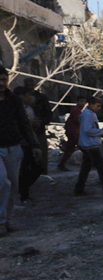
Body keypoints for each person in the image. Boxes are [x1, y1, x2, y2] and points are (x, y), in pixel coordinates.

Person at [0, 67, 41, 236]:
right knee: (2, 183)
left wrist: (35, 145)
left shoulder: (14, 101)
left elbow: (24, 124)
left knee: (13, 187)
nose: (1, 83)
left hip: (14, 148)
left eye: (3, 79)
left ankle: (6, 221)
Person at [74, 97, 103, 195]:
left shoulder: (89, 114)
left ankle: (79, 189)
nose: (99, 108)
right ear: (91, 104)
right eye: (97, 106)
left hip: (89, 144)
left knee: (87, 168)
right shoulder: (88, 115)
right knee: (100, 167)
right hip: (90, 145)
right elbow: (88, 130)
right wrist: (101, 132)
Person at [14, 86, 43, 203]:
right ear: (21, 96)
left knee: (38, 167)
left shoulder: (29, 109)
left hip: (31, 142)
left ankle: (22, 189)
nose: (31, 98)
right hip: (19, 143)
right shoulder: (12, 109)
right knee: (24, 169)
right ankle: (23, 193)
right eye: (28, 95)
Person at [23, 78, 51, 175]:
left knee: (41, 150)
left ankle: (42, 172)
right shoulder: (20, 99)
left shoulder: (41, 98)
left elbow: (48, 113)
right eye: (28, 85)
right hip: (25, 132)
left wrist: (41, 122)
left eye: (31, 85)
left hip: (39, 129)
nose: (30, 87)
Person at [57, 96, 87, 171]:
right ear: (77, 102)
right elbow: (78, 120)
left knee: (70, 149)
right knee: (82, 148)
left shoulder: (78, 110)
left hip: (74, 132)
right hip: (74, 132)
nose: (83, 103)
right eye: (81, 101)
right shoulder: (76, 110)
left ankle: (61, 164)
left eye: (84, 101)